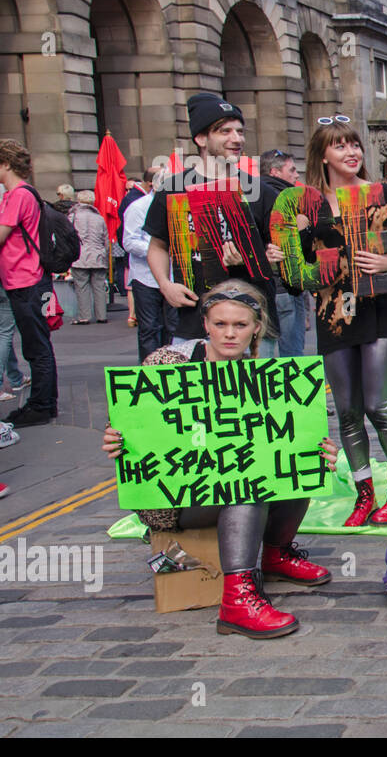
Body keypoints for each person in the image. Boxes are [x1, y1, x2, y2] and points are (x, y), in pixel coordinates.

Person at [102, 282, 340, 639]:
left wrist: (316, 451)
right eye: (220, 324)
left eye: (240, 325)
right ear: (206, 325)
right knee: (246, 481)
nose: (230, 334)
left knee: (294, 465)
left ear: (257, 327)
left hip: (221, 487)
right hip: (174, 500)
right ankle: (238, 602)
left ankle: (275, 556)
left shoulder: (264, 377)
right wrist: (115, 439)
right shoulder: (168, 363)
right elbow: (135, 426)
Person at [291, 116, 387, 526]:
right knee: (347, 410)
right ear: (323, 155)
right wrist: (291, 248)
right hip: (335, 311)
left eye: (355, 145)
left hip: (382, 304)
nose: (351, 152)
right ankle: (364, 492)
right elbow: (299, 267)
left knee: (377, 404)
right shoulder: (307, 205)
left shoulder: (382, 193)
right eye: (340, 146)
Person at [144, 93, 280, 346]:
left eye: (240, 131)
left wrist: (255, 258)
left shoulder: (262, 191)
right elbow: (158, 246)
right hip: (192, 322)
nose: (236, 139)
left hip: (255, 326)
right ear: (201, 138)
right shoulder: (173, 189)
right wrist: (165, 284)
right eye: (225, 131)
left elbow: (281, 254)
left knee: (252, 387)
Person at [0, 140, 58, 426]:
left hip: (25, 279)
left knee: (36, 347)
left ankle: (42, 405)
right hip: (23, 279)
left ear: (7, 164)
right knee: (36, 345)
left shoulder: (18, 195)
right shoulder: (21, 194)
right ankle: (42, 403)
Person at [259, 148, 312, 357]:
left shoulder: (251, 194)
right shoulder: (286, 198)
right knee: (292, 358)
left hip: (264, 287)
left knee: (264, 353)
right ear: (275, 171)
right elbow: (299, 245)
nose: (297, 175)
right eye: (292, 170)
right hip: (284, 286)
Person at [122, 170, 178, 362]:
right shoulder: (138, 207)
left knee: (173, 326)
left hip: (173, 276)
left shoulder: (176, 205)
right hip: (146, 277)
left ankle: (171, 366)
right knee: (150, 328)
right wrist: (159, 251)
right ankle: (149, 368)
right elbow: (129, 241)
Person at [69, 190, 109, 324]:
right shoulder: (99, 218)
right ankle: (101, 315)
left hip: (79, 256)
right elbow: (105, 239)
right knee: (99, 286)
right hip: (98, 255)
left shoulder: (73, 216)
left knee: (81, 286)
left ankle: (84, 316)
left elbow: (68, 237)